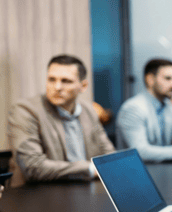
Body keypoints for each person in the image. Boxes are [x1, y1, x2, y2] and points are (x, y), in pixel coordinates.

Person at [7, 54, 115, 185]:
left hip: (83, 187)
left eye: (66, 81)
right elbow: (33, 167)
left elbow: (109, 155)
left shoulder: (89, 110)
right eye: (51, 80)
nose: (57, 87)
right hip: (37, 192)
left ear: (83, 86)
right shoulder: (25, 110)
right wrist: (91, 169)